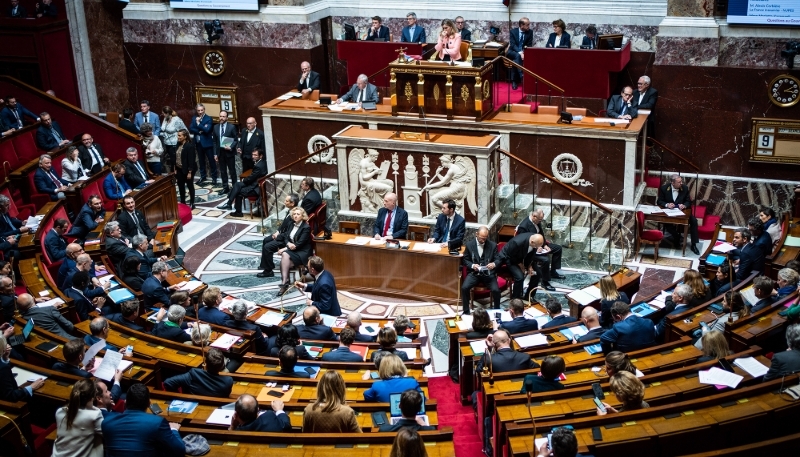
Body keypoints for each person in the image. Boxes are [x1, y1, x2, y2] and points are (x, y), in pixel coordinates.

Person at [101, 383, 185, 456]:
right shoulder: (157, 423)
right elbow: (179, 450)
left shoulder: (107, 422)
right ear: (149, 404)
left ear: (125, 403)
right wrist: (174, 429)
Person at [258, 207, 312, 295]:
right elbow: (286, 237)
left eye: (298, 214)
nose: (296, 216)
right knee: (285, 257)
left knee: (284, 255)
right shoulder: (291, 224)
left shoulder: (306, 227)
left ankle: (285, 283)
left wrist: (285, 248)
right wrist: (288, 244)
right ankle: (285, 282)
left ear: (302, 216)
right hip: (292, 248)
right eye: (294, 214)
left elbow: (299, 244)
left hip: (302, 251)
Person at [52, 379, 104, 457]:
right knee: (99, 439)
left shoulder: (59, 412)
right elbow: (106, 433)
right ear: (92, 398)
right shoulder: (94, 415)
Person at [516, 208, 565, 286]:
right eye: (539, 220)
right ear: (534, 216)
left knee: (558, 248)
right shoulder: (523, 227)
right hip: (530, 250)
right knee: (545, 260)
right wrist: (535, 248)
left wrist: (544, 245)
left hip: (540, 245)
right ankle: (545, 282)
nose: (540, 222)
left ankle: (553, 272)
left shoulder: (537, 221)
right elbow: (523, 244)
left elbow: (541, 234)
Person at [656, 174, 700, 254]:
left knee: (694, 221)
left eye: (681, 181)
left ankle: (694, 245)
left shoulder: (685, 188)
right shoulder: (664, 188)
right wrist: (667, 205)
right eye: (679, 182)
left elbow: (688, 201)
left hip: (682, 212)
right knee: (667, 222)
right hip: (669, 212)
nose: (681, 183)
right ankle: (677, 237)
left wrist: (685, 205)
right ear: (673, 183)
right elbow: (659, 201)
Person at [461, 226, 500, 313]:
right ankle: (466, 311)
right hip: (474, 273)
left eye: (485, 238)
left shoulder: (492, 245)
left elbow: (498, 259)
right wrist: (472, 265)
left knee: (496, 290)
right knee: (464, 288)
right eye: (481, 238)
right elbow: (465, 260)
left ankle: (497, 311)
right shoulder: (469, 245)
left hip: (488, 274)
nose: (483, 240)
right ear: (476, 234)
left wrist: (493, 264)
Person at [164, 347, 233, 397]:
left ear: (206, 363)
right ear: (222, 366)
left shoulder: (194, 374)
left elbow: (168, 383)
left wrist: (181, 398)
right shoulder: (228, 381)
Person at [218, 148, 266, 217]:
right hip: (254, 184)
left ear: (261, 156)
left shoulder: (258, 166)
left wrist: (244, 180)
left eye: (255, 155)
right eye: (252, 155)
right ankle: (229, 204)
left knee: (238, 192)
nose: (253, 156)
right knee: (237, 184)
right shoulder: (261, 163)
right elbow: (252, 177)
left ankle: (237, 211)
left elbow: (251, 178)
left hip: (255, 188)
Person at [497, 233, 546, 298]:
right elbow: (511, 256)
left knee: (537, 273)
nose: (537, 248)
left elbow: (531, 254)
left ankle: (529, 296)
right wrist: (521, 265)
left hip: (523, 257)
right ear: (532, 242)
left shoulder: (534, 241)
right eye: (536, 247)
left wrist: (529, 266)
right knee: (519, 277)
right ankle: (516, 299)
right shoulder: (517, 242)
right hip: (509, 258)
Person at [0, 333, 44, 401]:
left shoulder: (3, 365)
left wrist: (5, 358)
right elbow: (11, 396)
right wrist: (31, 387)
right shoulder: (3, 368)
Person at [717, 228, 763, 294]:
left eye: (736, 238)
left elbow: (740, 276)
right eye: (734, 237)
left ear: (744, 239)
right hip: (755, 273)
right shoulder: (751, 246)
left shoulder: (745, 253)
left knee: (721, 279)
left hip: (749, 280)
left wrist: (732, 272)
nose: (733, 239)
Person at [189, 103, 216, 186]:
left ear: (204, 110)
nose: (200, 112)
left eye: (201, 110)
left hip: (207, 144)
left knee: (212, 162)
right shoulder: (194, 118)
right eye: (198, 110)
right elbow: (191, 128)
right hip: (198, 143)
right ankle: (203, 176)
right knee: (201, 161)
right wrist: (200, 130)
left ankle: (214, 178)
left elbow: (207, 130)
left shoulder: (208, 118)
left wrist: (198, 124)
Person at [212, 110, 239, 194]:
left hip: (229, 153)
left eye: (223, 116)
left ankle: (235, 187)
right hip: (220, 153)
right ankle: (225, 187)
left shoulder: (231, 127)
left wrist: (230, 147)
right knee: (223, 171)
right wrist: (215, 153)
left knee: (232, 171)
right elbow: (215, 142)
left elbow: (235, 140)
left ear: (227, 118)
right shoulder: (215, 127)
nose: (222, 118)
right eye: (220, 116)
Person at [507, 17, 532, 90]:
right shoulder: (513, 32)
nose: (529, 26)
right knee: (517, 56)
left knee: (516, 59)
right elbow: (513, 45)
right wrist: (521, 53)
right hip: (512, 52)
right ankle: (521, 76)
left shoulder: (530, 32)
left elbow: (529, 45)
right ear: (521, 25)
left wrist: (523, 52)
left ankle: (514, 81)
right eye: (527, 25)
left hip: (524, 53)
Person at [174, 129, 197, 208]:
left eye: (180, 135)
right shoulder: (178, 144)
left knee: (190, 186)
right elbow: (176, 157)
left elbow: (191, 160)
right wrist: (175, 168)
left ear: (185, 136)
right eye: (178, 135)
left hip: (187, 170)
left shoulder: (189, 146)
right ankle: (183, 201)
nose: (178, 137)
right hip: (179, 169)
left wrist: (190, 172)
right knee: (181, 186)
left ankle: (192, 202)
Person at [160, 106, 186, 174]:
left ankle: (176, 175)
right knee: (170, 161)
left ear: (168, 113)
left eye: (164, 113)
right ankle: (172, 175)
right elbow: (163, 128)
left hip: (174, 143)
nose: (163, 115)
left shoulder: (176, 120)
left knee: (174, 160)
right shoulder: (165, 118)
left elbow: (182, 131)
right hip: (166, 142)